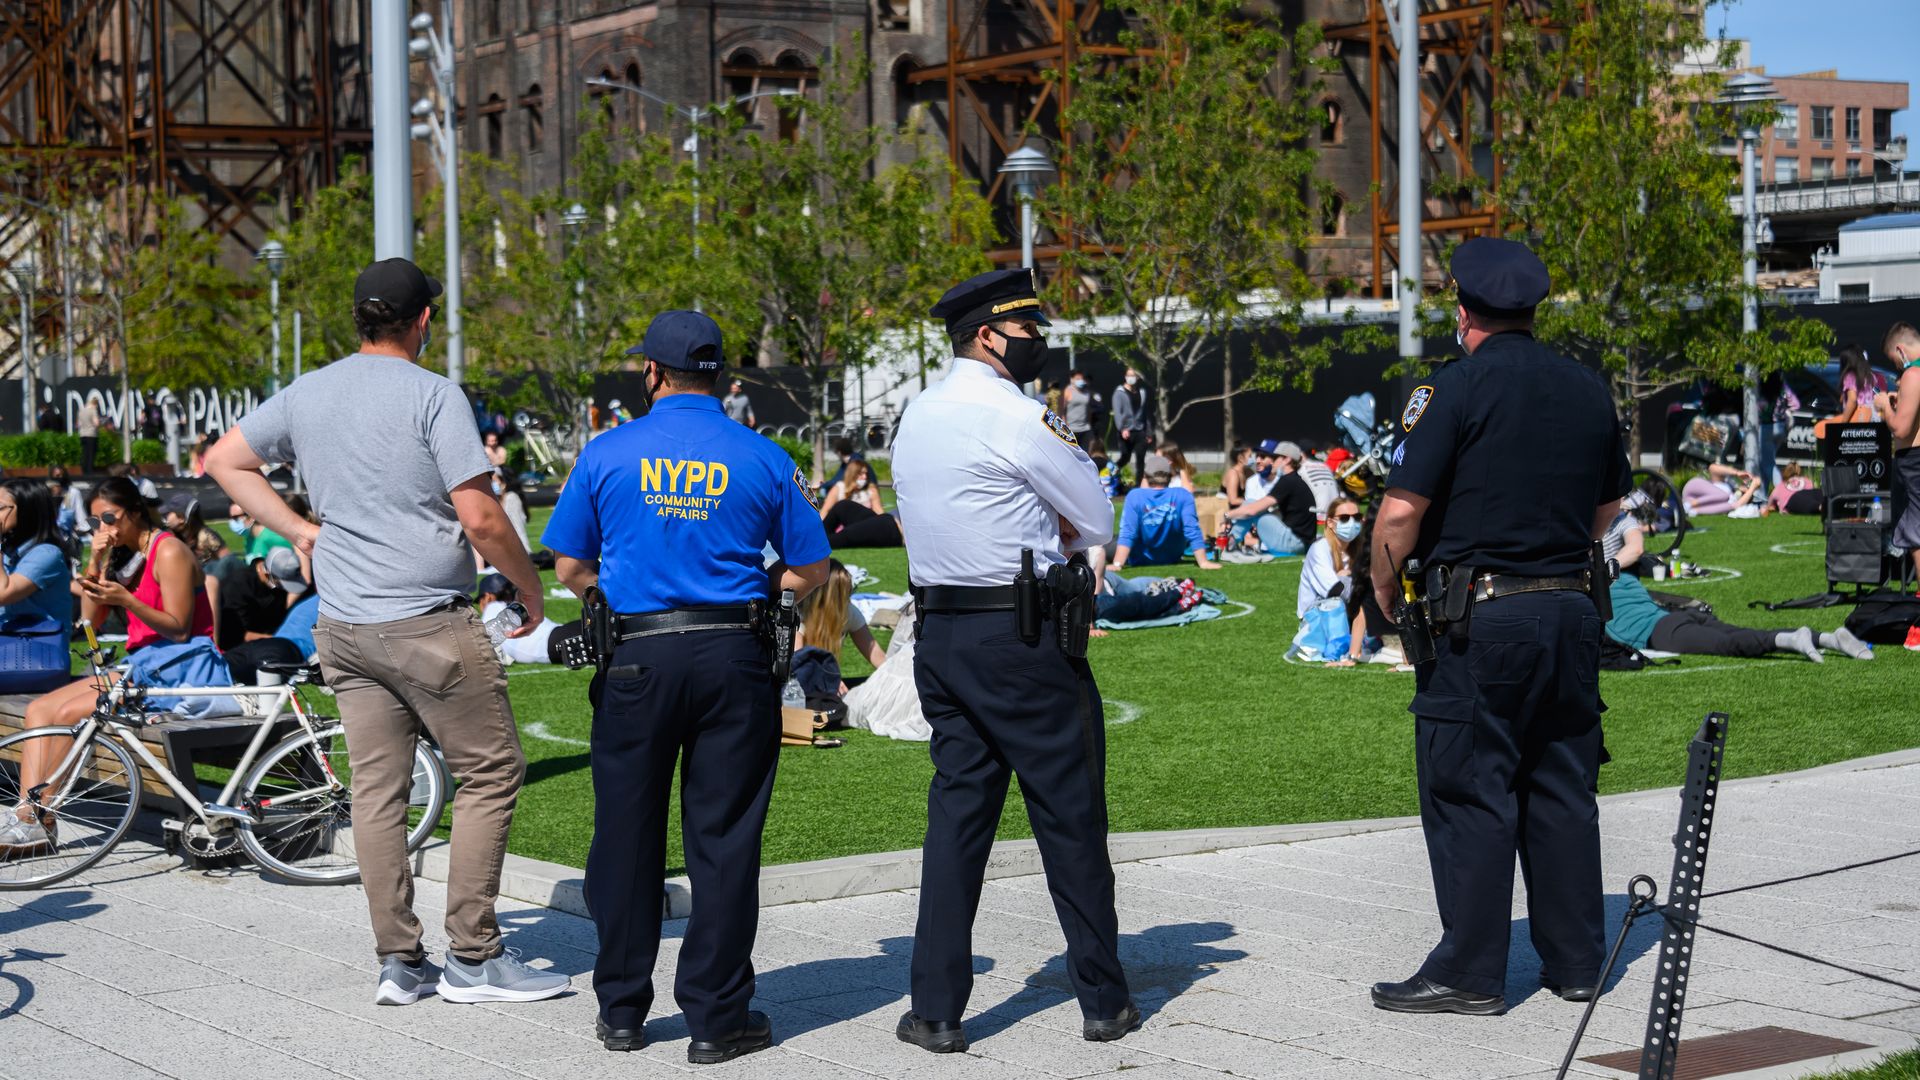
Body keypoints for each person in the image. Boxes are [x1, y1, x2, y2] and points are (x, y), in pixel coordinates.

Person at [206, 257, 564, 1009]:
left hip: (345, 625)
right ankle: (474, 956)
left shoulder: (311, 390)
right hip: (426, 620)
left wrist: (300, 529)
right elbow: (481, 517)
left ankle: (400, 963)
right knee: (492, 773)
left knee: (375, 792)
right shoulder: (434, 394)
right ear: (424, 320)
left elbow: (223, 462)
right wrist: (530, 587)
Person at [543, 308, 830, 1061]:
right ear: (723, 378)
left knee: (627, 835)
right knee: (725, 837)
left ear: (650, 373)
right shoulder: (761, 455)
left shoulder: (607, 452)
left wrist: (623, 590)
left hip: (637, 656)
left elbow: (569, 565)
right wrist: (761, 585)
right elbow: (811, 569)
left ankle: (623, 1010)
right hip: (733, 654)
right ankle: (717, 1016)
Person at [1367, 237, 1630, 1016]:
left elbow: (1401, 510)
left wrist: (1383, 587)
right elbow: (1608, 511)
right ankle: (1578, 962)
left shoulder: (1452, 388)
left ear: (1463, 311)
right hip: (1573, 609)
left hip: (1483, 617)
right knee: (1560, 784)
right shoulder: (1589, 389)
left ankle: (1470, 971)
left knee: (1471, 787)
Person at [891, 268, 1138, 1054]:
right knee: (1069, 818)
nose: (1040, 341)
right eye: (1029, 329)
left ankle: (935, 1008)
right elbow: (1095, 516)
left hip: (943, 634)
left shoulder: (917, 414)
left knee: (958, 821)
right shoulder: (1018, 415)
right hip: (1022, 637)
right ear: (991, 335)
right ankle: (1103, 999)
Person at [1, 477, 218, 856]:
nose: (105, 529)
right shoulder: (126, 554)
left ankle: (41, 814)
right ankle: (29, 816)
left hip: (179, 665)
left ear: (136, 512)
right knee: (40, 709)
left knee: (67, 711)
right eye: (98, 523)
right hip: (143, 663)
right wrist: (96, 561)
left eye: (110, 518)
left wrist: (128, 601)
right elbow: (90, 622)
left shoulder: (168, 552)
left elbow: (181, 630)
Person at [1601, 512, 1870, 662]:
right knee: (1743, 632)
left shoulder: (1594, 589)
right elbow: (1635, 548)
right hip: (1673, 617)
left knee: (1730, 643)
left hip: (1661, 631)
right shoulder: (1626, 577)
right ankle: (1828, 638)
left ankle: (1791, 640)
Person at [0, 479, 76, 691]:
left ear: (26, 510)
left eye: (0, 507)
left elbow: (3, 593)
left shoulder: (46, 554)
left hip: (36, 657)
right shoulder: (8, 553)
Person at [793, 559, 889, 696]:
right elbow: (798, 667)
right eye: (843, 595)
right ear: (825, 599)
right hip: (793, 688)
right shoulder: (797, 618)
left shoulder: (849, 612)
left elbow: (879, 659)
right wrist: (828, 679)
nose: (849, 600)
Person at [1112, 454, 1220, 571]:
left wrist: (1117, 564)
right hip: (1172, 557)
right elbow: (1192, 530)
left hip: (1139, 559)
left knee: (1106, 542)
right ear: (1170, 476)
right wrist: (1203, 562)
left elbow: (1128, 533)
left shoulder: (1135, 496)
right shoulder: (1183, 495)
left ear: (1146, 476)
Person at [1880, 323, 1920, 628]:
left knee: (1915, 535)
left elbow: (1902, 429)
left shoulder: (1911, 374)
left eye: (1894, 362)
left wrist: (1884, 408)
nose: (1897, 367)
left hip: (1913, 462)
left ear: (1900, 351)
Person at [1221, 440, 1316, 557]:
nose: (1273, 463)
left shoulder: (1288, 481)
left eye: (1275, 458)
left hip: (1294, 543)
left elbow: (1252, 510)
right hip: (1300, 542)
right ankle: (1231, 541)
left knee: (1251, 505)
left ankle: (1230, 543)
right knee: (1252, 506)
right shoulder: (1294, 480)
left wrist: (1227, 515)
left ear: (1287, 459)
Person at [214, 547, 308, 651]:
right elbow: (237, 635)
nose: (286, 589)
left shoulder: (276, 581)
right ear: (267, 574)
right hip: (241, 645)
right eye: (284, 585)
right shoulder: (236, 588)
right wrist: (282, 640)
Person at [1298, 496, 1363, 619]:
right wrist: (1349, 577)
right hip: (1318, 620)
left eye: (1357, 518)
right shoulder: (1319, 548)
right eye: (1344, 518)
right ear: (1330, 523)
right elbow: (1335, 591)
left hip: (1348, 614)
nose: (1352, 523)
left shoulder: (1359, 547)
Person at [819, 458, 903, 548]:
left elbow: (879, 512)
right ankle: (817, 535)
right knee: (842, 505)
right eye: (860, 474)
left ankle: (818, 545)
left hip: (886, 525)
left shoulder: (870, 489)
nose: (864, 477)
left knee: (849, 534)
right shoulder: (840, 487)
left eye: (865, 474)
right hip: (877, 523)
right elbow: (825, 511)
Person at [161, 493, 232, 568]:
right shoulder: (170, 535)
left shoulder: (206, 536)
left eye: (168, 514)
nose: (165, 517)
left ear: (181, 518)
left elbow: (229, 563)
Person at [1111, 367, 1150, 484]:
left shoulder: (1141, 393)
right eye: (1128, 375)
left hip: (1140, 430)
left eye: (1133, 375)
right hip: (1126, 430)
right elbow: (1117, 412)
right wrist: (1122, 428)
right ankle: (1111, 474)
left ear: (1137, 378)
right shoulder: (1119, 393)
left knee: (1140, 459)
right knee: (1125, 457)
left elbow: (1144, 413)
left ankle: (1138, 486)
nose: (1130, 378)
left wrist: (1149, 431)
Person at [1682, 462, 1762, 517]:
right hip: (1695, 486)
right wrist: (1737, 473)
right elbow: (1713, 468)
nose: (1746, 487)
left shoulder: (1730, 503)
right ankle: (1688, 506)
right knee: (1723, 495)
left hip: (1693, 501)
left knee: (1723, 496)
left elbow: (1737, 505)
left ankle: (1687, 506)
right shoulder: (1730, 485)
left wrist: (1753, 488)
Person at [1297, 444, 1341, 515]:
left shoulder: (1301, 469)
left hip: (1317, 514)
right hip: (1336, 512)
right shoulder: (1326, 466)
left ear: (1301, 454)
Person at [1064, 370, 1097, 445]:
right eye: (1077, 379)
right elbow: (1062, 411)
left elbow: (1088, 409)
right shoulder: (1067, 391)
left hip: (1085, 428)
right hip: (1071, 429)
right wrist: (1065, 427)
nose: (1080, 381)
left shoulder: (1087, 392)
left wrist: (1089, 423)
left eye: (1081, 379)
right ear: (1072, 379)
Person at [77, 399, 100, 475]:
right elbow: (96, 423)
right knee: (91, 454)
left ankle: (84, 469)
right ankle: (89, 472)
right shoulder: (93, 410)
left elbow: (79, 424)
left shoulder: (81, 411)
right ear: (95, 404)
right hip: (91, 434)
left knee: (85, 453)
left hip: (82, 434)